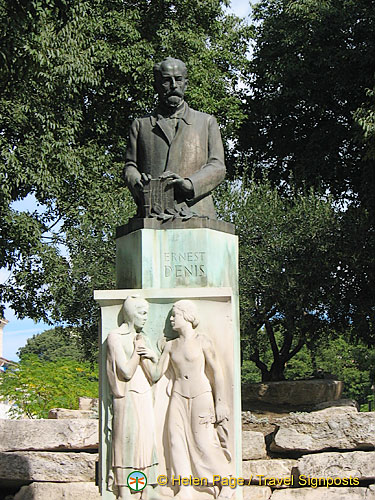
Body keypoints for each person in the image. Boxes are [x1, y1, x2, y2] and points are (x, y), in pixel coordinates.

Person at [137, 300, 234, 500]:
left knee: (205, 442)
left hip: (201, 396)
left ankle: (226, 482)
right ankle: (185, 489)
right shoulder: (170, 346)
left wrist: (220, 402)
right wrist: (146, 356)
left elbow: (217, 372)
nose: (172, 319)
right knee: (176, 442)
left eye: (175, 315)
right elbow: (156, 375)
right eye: (171, 316)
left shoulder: (202, 341)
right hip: (178, 397)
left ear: (187, 316)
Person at [123, 57, 226, 219]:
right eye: (166, 81)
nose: (173, 86)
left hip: (197, 211)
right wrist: (139, 183)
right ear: (156, 86)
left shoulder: (206, 122)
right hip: (153, 212)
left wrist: (190, 184)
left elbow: (218, 166)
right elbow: (130, 166)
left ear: (186, 83)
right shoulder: (140, 125)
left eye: (178, 79)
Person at [106, 296, 159, 500]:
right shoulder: (115, 336)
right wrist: (137, 352)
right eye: (141, 312)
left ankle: (144, 488)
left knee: (145, 442)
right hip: (126, 394)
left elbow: (153, 375)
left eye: (146, 313)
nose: (145, 318)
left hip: (144, 392)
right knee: (125, 440)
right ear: (130, 313)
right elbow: (126, 372)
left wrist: (154, 357)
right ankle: (125, 489)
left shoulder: (141, 338)